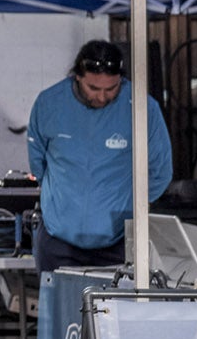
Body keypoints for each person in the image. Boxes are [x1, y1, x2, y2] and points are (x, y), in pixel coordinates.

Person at [25, 39, 173, 273]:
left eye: (111, 89)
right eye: (93, 88)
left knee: (115, 310)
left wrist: (132, 209)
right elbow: (38, 163)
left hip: (118, 243)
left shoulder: (143, 108)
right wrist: (61, 201)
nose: (102, 97)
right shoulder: (48, 104)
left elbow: (160, 170)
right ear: (77, 76)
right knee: (61, 310)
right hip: (57, 241)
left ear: (121, 80)